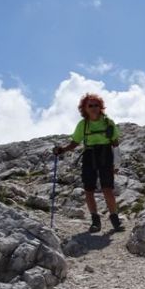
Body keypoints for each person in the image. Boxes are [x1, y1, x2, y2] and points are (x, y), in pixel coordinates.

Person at [53, 94, 122, 233]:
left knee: (107, 188)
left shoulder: (108, 122)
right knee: (89, 189)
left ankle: (115, 219)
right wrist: (62, 150)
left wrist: (117, 163)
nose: (94, 108)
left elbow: (115, 143)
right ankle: (95, 221)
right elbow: (75, 142)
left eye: (96, 105)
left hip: (105, 155)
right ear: (84, 108)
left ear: (101, 107)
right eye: (90, 105)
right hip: (89, 156)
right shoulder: (83, 125)